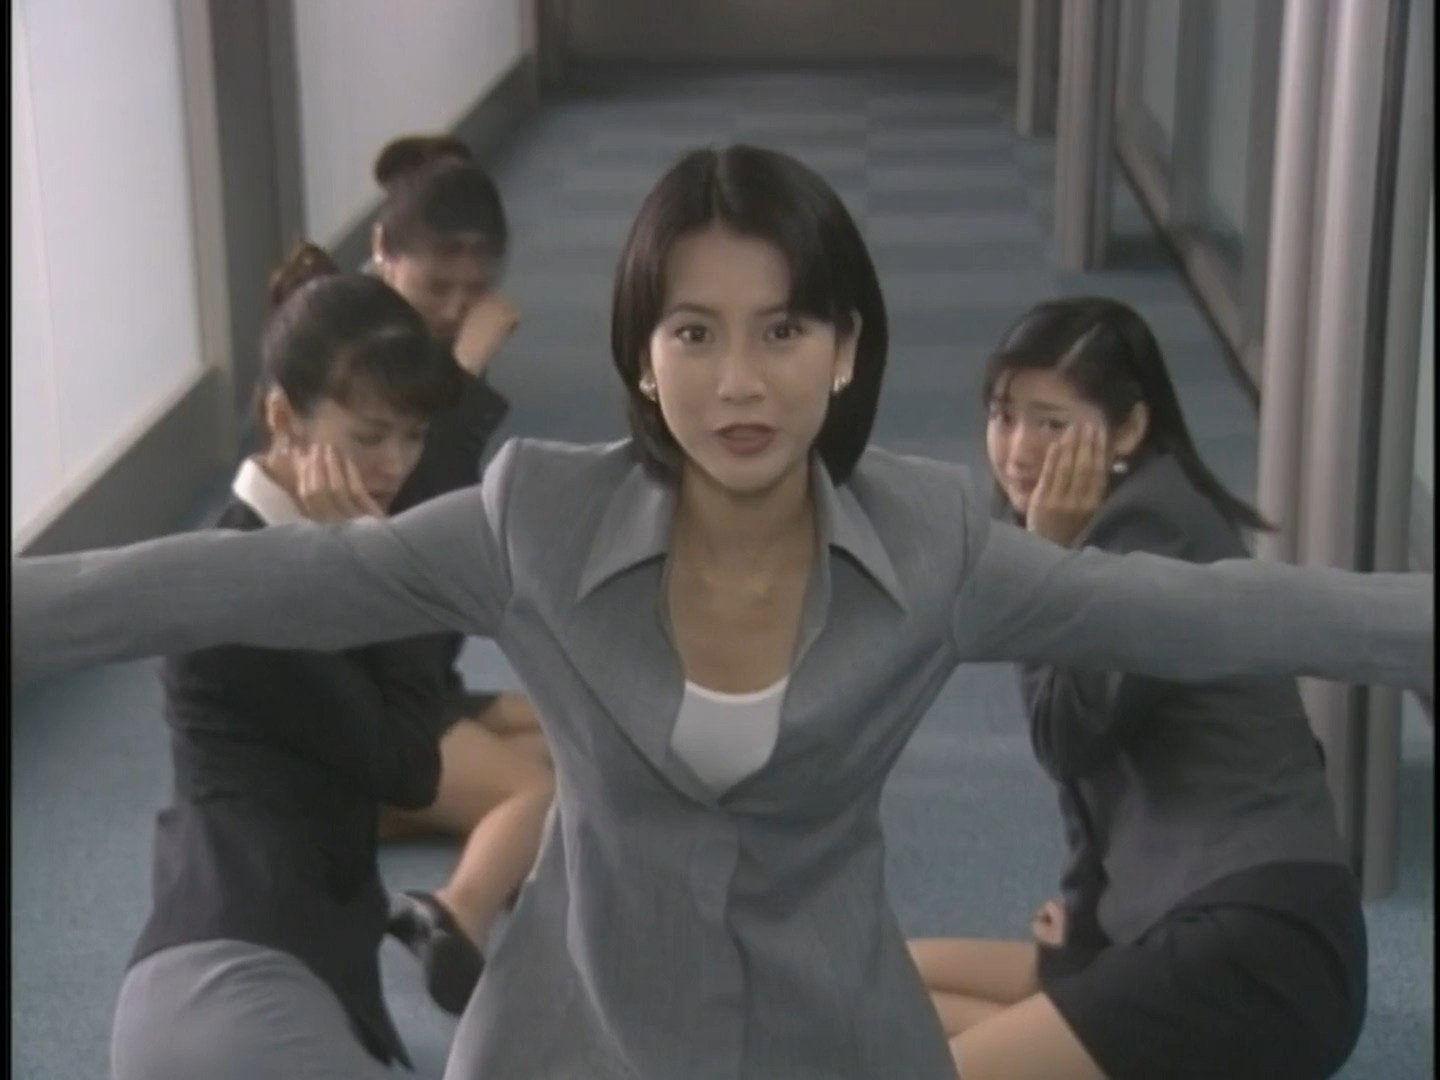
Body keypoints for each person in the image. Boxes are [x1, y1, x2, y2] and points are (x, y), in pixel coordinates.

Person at [13, 146, 1432, 1080]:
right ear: (642, 355)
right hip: (575, 1037)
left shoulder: (933, 539)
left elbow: (1219, 616)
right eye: (693, 332)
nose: (739, 382)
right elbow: (229, 580)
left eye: (783, 330)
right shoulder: (538, 517)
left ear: (846, 349)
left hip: (829, 1035)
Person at [907, 296, 1372, 1079]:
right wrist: (1085, 923)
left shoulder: (1151, 543)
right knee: (878, 982)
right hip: (1185, 924)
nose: (1018, 449)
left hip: (1253, 948)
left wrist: (1043, 569)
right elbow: (1099, 780)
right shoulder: (1124, 525)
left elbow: (1068, 737)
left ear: (1126, 430)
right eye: (1003, 416)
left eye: (1052, 423)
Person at [106, 246, 467, 1079]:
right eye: (369, 436)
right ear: (282, 418)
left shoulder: (307, 547)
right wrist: (381, 568)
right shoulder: (236, 584)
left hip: (259, 968)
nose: (395, 465)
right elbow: (409, 765)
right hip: (229, 990)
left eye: (413, 436)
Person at [356, 134, 555, 1014]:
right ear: (382, 252)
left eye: (473, 291)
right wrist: (466, 372)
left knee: (575, 727)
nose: (453, 310)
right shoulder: (358, 357)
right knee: (540, 787)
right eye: (436, 286)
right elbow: (409, 520)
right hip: (363, 689)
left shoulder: (414, 354)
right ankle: (456, 912)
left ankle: (389, 815)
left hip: (413, 674)